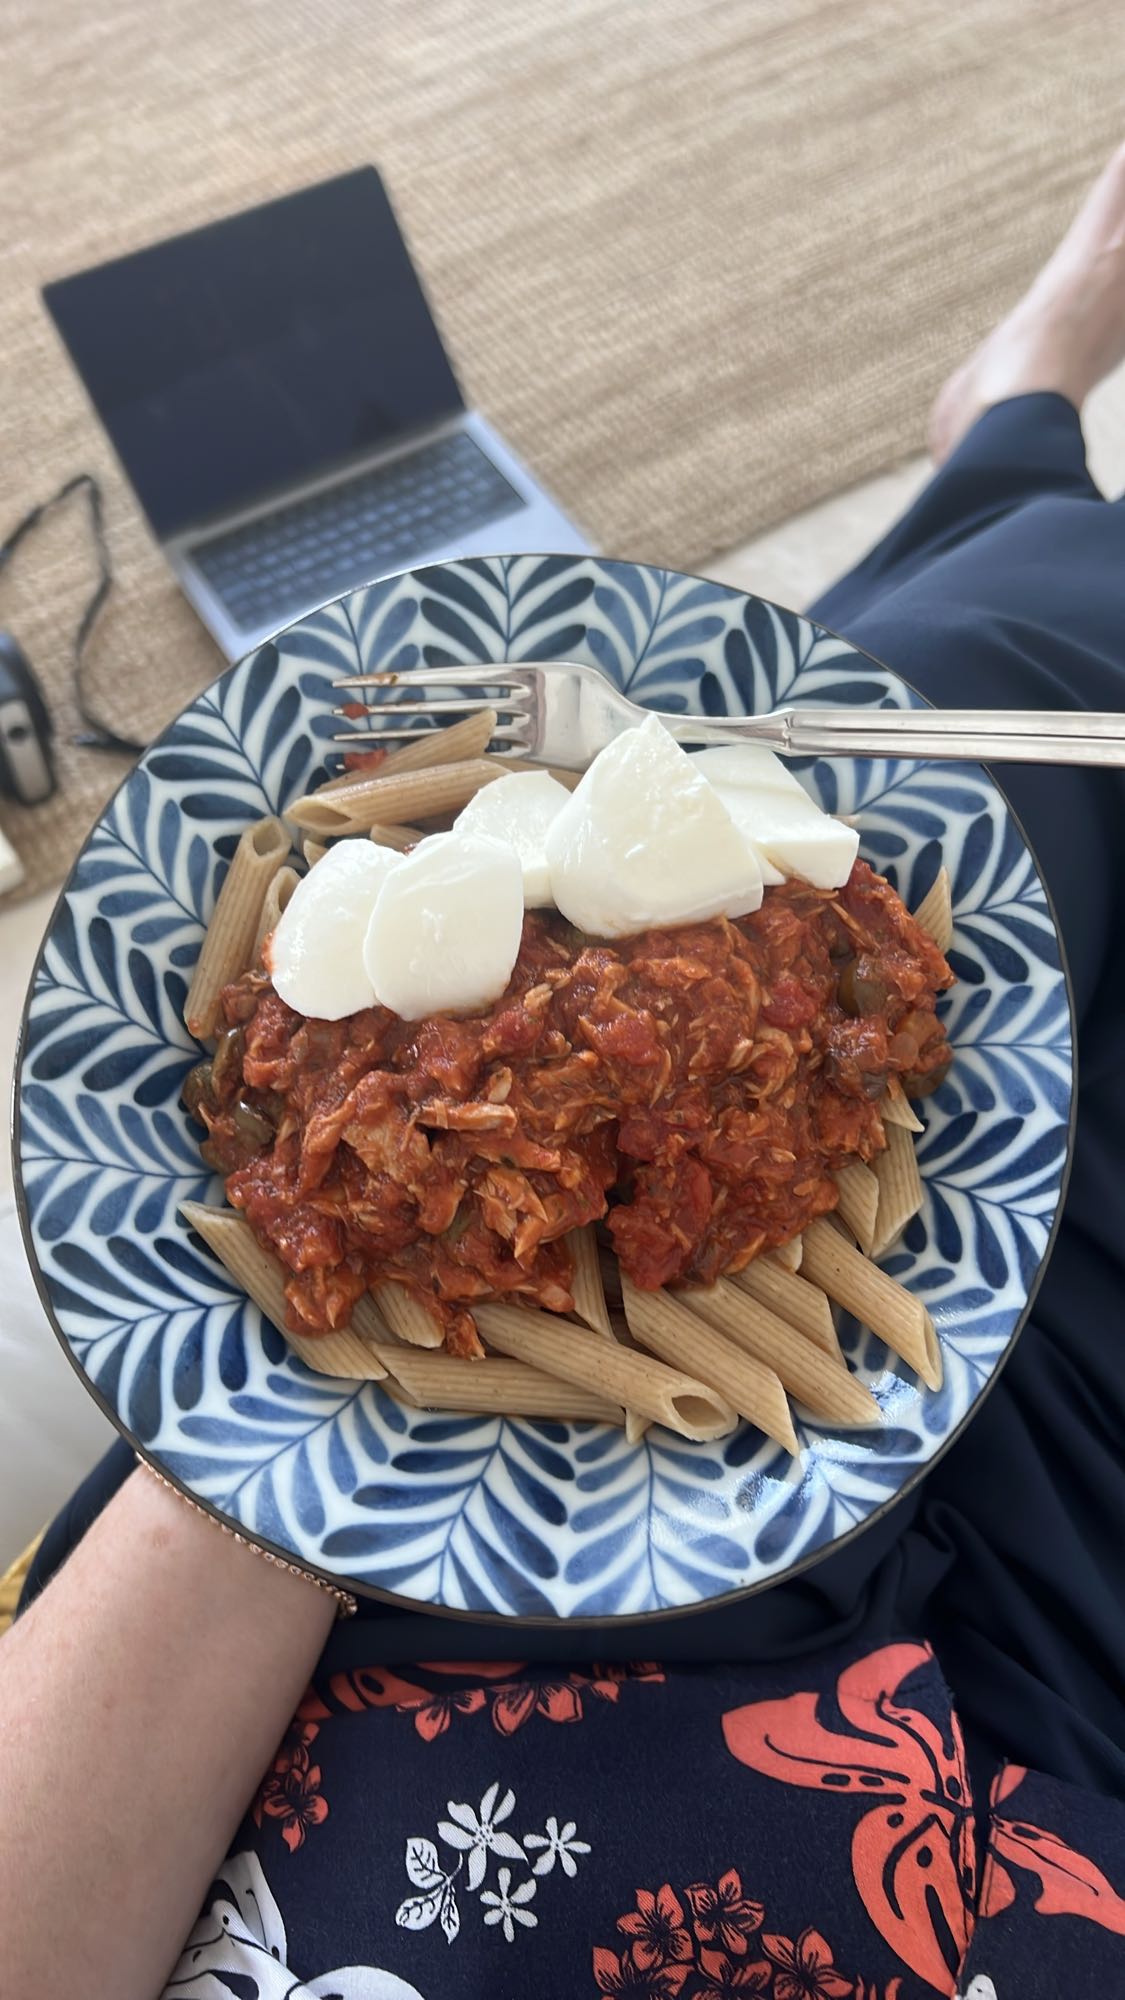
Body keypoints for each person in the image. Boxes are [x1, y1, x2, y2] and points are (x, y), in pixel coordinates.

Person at [3, 147, 1125, 2000]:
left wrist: (289, 1458)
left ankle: (1006, 420)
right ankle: (1003, 441)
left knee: (934, 707)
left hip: (296, 1602)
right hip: (987, 1699)